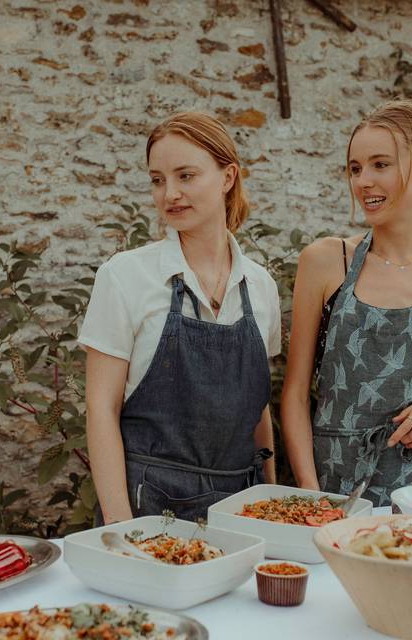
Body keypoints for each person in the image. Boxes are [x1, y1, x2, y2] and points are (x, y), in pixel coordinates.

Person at [280, 96, 412, 506]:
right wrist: (312, 496)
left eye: (380, 165)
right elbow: (295, 393)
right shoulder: (326, 262)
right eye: (355, 168)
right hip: (335, 491)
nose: (363, 182)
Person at [79, 112, 282, 524]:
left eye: (185, 176)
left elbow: (258, 412)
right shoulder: (123, 276)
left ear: (228, 177)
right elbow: (100, 409)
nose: (170, 193)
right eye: (157, 180)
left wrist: (272, 505)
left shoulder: (261, 287)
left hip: (241, 511)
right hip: (147, 509)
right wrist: (121, 530)